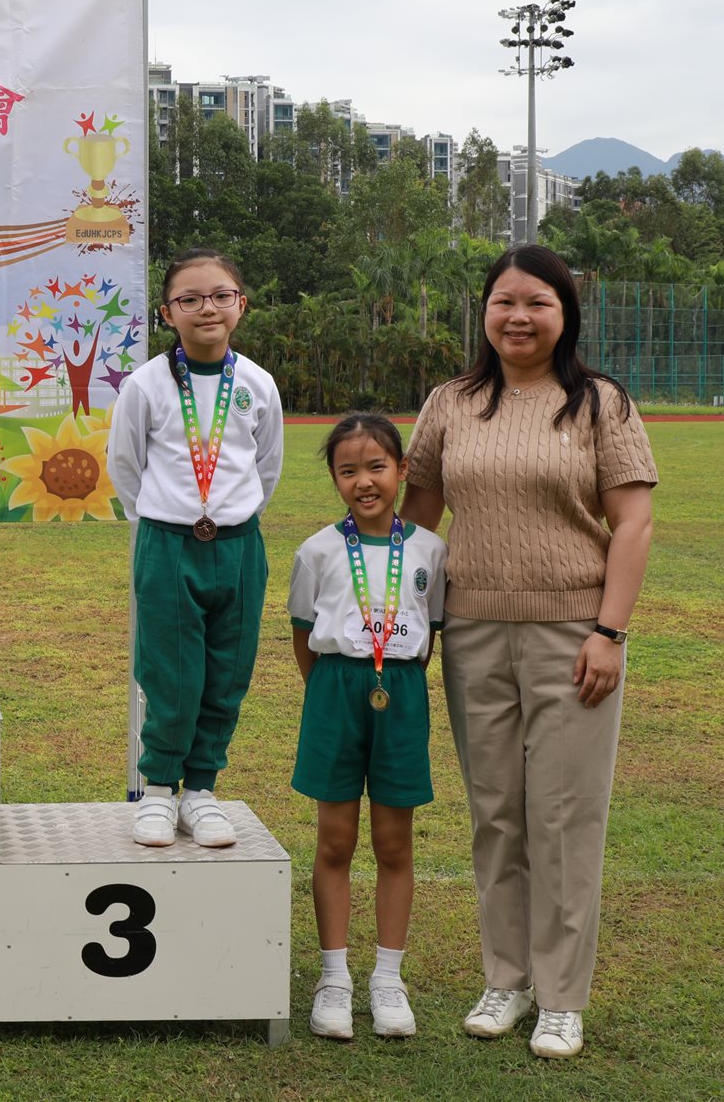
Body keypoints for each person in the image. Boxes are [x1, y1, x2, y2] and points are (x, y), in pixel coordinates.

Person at [400, 245, 657, 1061]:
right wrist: (396, 623)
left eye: (537, 302)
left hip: (574, 637)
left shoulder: (601, 403)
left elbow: (633, 523)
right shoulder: (450, 402)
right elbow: (416, 520)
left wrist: (609, 632)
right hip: (471, 632)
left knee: (564, 815)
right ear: (484, 311)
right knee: (497, 813)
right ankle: (505, 980)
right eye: (504, 301)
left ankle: (562, 997)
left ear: (565, 313)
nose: (519, 316)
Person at [107, 248, 284, 848]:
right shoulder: (146, 385)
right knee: (170, 673)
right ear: (167, 313)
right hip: (168, 545)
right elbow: (126, 466)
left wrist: (231, 515)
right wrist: (164, 520)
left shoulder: (257, 384)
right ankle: (159, 791)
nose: (207, 308)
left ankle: (201, 792)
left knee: (227, 674)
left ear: (241, 304)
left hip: (238, 547)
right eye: (190, 299)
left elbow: (266, 466)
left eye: (220, 296)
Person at [288, 413, 447, 1040]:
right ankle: (334, 979)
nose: (363, 481)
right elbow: (304, 637)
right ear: (334, 479)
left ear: (402, 471)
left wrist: (389, 680)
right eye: (347, 470)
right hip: (335, 692)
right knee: (334, 841)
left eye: (377, 467)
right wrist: (337, 689)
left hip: (400, 694)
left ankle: (387, 978)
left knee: (393, 842)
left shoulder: (430, 550)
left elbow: (431, 633)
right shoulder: (317, 551)